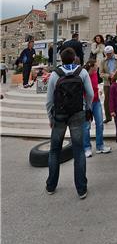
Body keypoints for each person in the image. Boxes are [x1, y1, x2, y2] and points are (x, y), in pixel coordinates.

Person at [45, 47, 93, 197]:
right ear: (74, 58)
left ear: (61, 58)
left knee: (55, 150)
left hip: (59, 114)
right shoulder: (82, 72)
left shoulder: (55, 74)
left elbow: (49, 100)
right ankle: (81, 188)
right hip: (77, 113)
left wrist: (50, 117)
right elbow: (90, 93)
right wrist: (88, 108)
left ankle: (51, 186)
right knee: (78, 151)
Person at [83, 60, 111, 158]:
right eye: (96, 65)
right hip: (87, 103)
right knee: (86, 126)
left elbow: (95, 86)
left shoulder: (95, 74)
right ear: (92, 66)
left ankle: (100, 146)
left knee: (99, 123)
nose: (97, 67)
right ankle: (87, 147)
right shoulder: (84, 74)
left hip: (96, 101)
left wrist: (98, 91)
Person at [99, 46, 117, 124]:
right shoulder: (103, 61)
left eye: (110, 54)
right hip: (108, 82)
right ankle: (108, 117)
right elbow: (100, 73)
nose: (108, 55)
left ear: (113, 52)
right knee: (107, 99)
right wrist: (109, 76)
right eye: (107, 54)